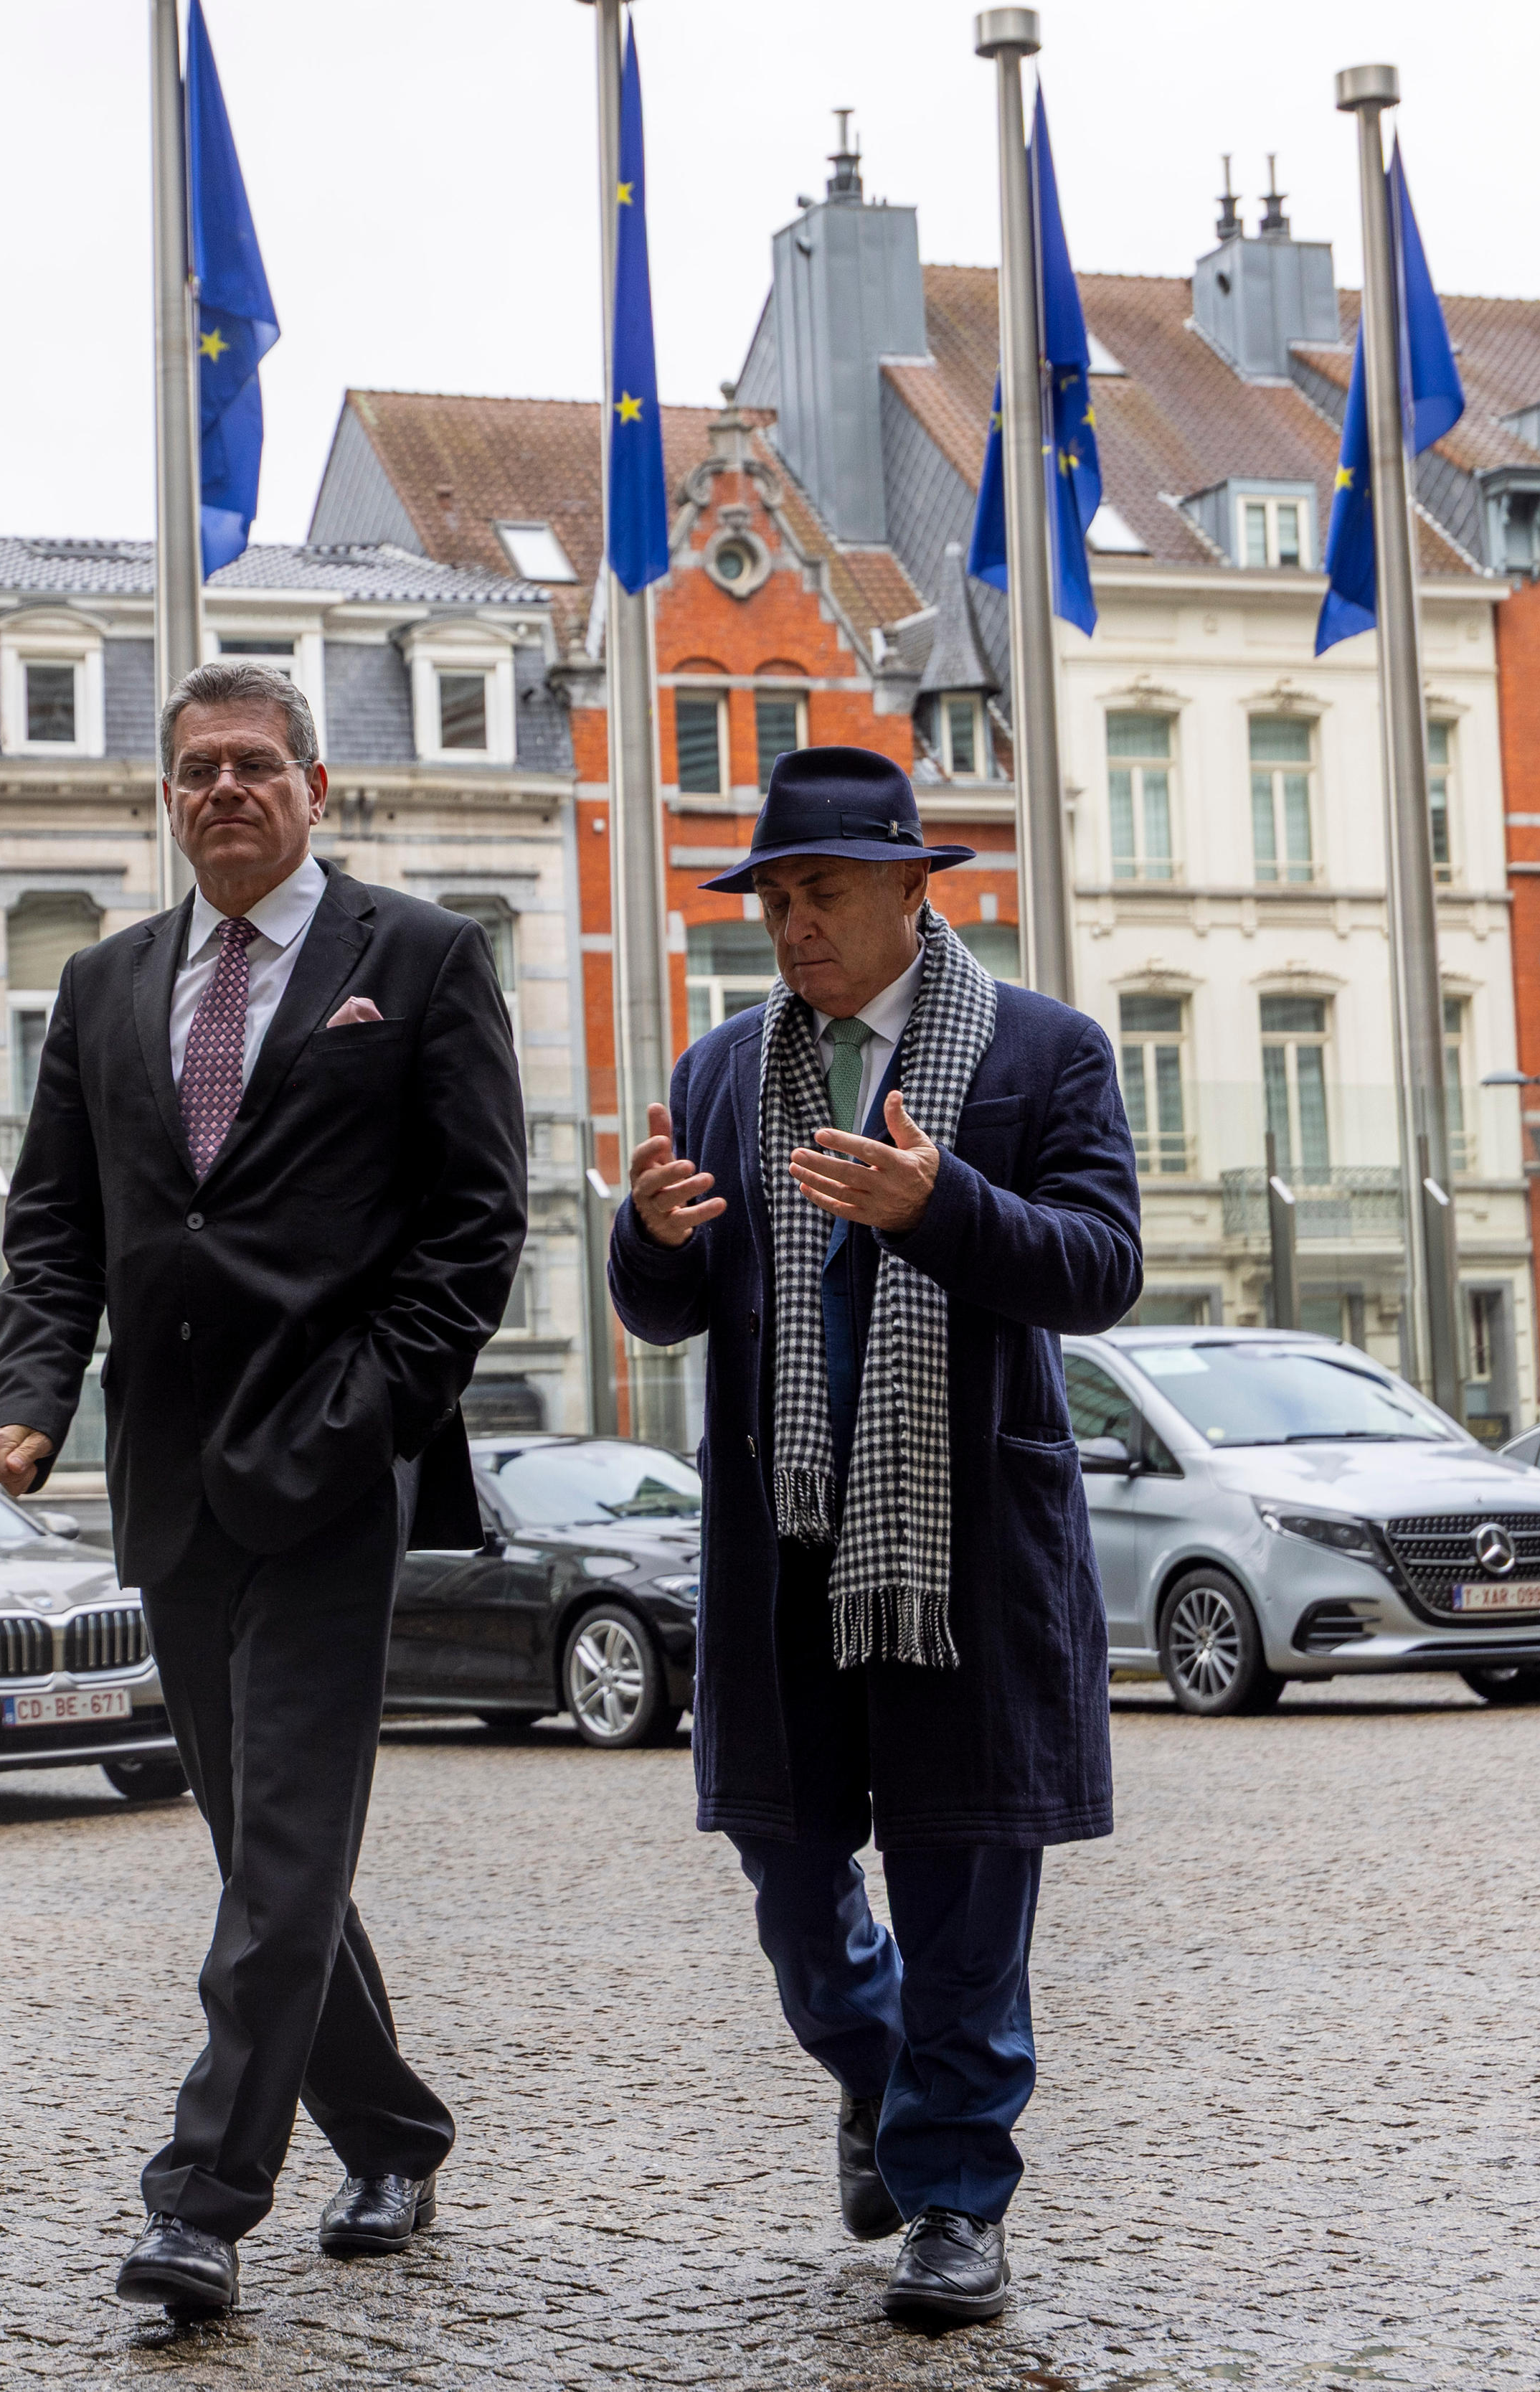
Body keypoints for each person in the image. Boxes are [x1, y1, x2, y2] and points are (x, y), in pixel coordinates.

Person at [0, 658, 526, 2317]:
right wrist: (29, 1396)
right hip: (167, 1478)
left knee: (283, 1850)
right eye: (195, 769)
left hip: (332, 1477)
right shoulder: (102, 982)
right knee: (259, 1850)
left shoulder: (419, 962)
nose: (224, 790)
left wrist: (368, 1412)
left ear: (314, 788)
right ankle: (392, 2126)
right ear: (169, 797)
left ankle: (200, 2198)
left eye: (253, 765)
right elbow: (57, 1221)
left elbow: (474, 1226)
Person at [610, 745, 1140, 2326]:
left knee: (965, 1875)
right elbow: (671, 1311)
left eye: (820, 891)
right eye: (771, 896)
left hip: (963, 1547)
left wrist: (940, 1205)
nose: (789, 923)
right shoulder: (721, 1071)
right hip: (781, 1546)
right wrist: (638, 1235)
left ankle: (955, 2202)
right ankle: (883, 2066)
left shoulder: (1045, 1054)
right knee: (787, 1871)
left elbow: (1101, 1267)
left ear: (916, 890)